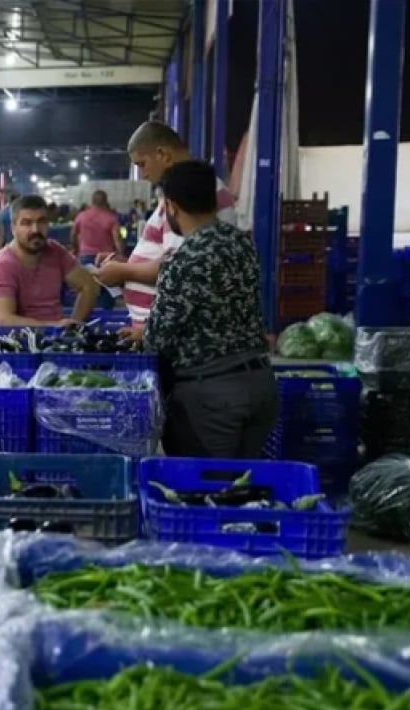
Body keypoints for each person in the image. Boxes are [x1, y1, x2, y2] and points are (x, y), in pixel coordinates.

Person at [142, 160, 277, 458]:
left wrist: (143, 331)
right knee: (245, 490)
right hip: (261, 385)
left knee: (207, 491)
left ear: (171, 207)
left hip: (213, 399)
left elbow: (157, 340)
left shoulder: (185, 259)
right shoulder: (242, 243)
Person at [95, 121, 237, 326]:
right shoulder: (188, 191)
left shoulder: (189, 196)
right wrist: (125, 263)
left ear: (163, 154)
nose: (143, 174)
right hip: (159, 328)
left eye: (142, 164)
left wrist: (123, 271)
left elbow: (178, 269)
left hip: (169, 332)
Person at [0, 195, 100, 326]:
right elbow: (5, 319)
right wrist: (53, 326)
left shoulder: (55, 251)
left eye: (42, 221)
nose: (36, 230)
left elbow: (88, 286)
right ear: (13, 228)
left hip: (54, 340)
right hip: (14, 340)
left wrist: (74, 324)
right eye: (26, 223)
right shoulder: (2, 265)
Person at [71, 190, 124, 311]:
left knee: (86, 290)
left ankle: (85, 319)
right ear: (106, 201)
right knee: (107, 293)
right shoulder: (111, 218)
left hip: (85, 258)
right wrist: (120, 255)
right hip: (105, 260)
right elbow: (117, 240)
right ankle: (104, 316)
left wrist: (75, 248)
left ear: (92, 201)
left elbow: (73, 234)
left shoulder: (81, 216)